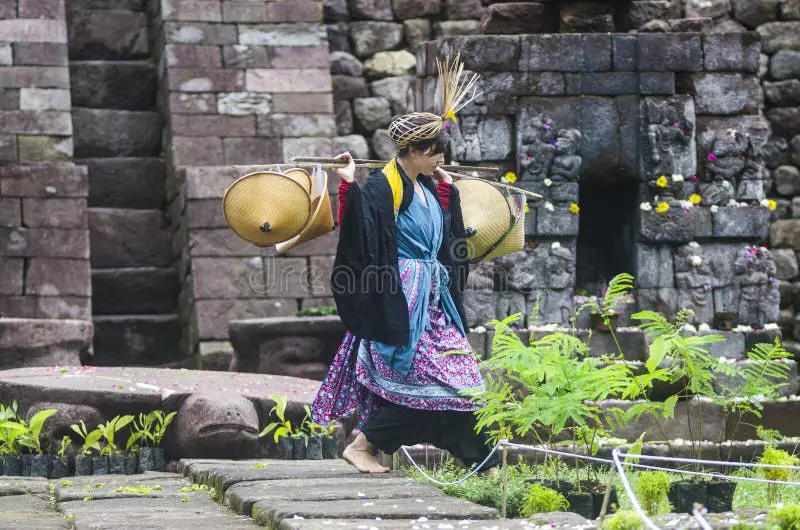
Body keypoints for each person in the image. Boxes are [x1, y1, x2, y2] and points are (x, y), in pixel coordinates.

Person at [310, 56, 498, 474]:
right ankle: (364, 444)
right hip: (402, 300)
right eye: (432, 153)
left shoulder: (427, 186)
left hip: (433, 300)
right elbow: (363, 226)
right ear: (412, 150)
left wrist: (448, 195)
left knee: (463, 382)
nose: (438, 160)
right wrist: (347, 184)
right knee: (435, 383)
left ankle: (481, 459)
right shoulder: (386, 185)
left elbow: (446, 238)